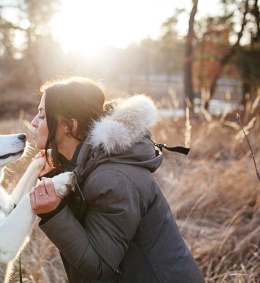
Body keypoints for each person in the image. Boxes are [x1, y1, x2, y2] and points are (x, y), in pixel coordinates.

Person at [28, 76, 204, 282]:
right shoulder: (91, 165)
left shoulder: (113, 179)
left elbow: (100, 265)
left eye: (41, 115)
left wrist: (54, 212)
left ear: (69, 126)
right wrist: (56, 175)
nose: (33, 122)